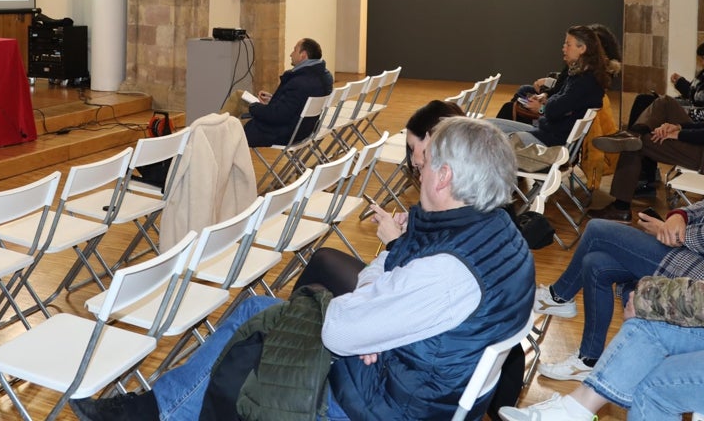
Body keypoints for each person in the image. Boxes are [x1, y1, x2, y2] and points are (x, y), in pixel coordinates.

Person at [69, 117, 536, 421]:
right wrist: (377, 317)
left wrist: (372, 316)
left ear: (446, 176)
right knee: (258, 308)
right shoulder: (498, 234)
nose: (418, 166)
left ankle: (152, 412)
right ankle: (155, 411)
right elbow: (394, 286)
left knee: (257, 328)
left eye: (426, 160)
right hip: (420, 384)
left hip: (382, 405)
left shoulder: (448, 271)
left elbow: (339, 329)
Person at [501, 126, 704, 421]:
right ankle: (575, 405)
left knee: (650, 381)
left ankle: (560, 300)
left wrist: (656, 276)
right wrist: (679, 215)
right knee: (617, 288)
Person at [532, 80, 704, 383]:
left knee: (597, 229)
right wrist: (678, 215)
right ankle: (588, 359)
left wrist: (672, 231)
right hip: (703, 254)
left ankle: (559, 297)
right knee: (595, 264)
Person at [291, 99, 465, 295]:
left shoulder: (449, 205)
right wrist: (412, 225)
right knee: (317, 285)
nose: (416, 167)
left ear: (430, 137)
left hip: (397, 297)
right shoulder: (467, 197)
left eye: (413, 148)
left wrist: (394, 241)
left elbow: (409, 280)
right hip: (403, 289)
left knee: (322, 262)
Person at [590, 34, 704, 221]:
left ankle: (621, 206)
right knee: (662, 104)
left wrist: (680, 133)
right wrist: (677, 126)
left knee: (637, 144)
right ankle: (631, 135)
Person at [487, 24, 616, 172]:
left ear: (583, 48)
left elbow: (555, 109)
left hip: (551, 144)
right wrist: (548, 102)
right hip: (547, 133)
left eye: (568, 44)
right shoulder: (581, 75)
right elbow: (558, 99)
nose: (564, 48)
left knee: (492, 140)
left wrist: (542, 107)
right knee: (487, 126)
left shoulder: (584, 80)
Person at [222, 37, 333, 148]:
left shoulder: (299, 82)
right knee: (239, 95)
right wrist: (273, 99)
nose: (291, 54)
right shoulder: (324, 77)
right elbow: (293, 104)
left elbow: (277, 116)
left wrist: (254, 107)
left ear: (303, 55)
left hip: (277, 132)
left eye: (294, 50)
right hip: (302, 128)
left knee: (227, 130)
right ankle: (215, 127)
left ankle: (214, 130)